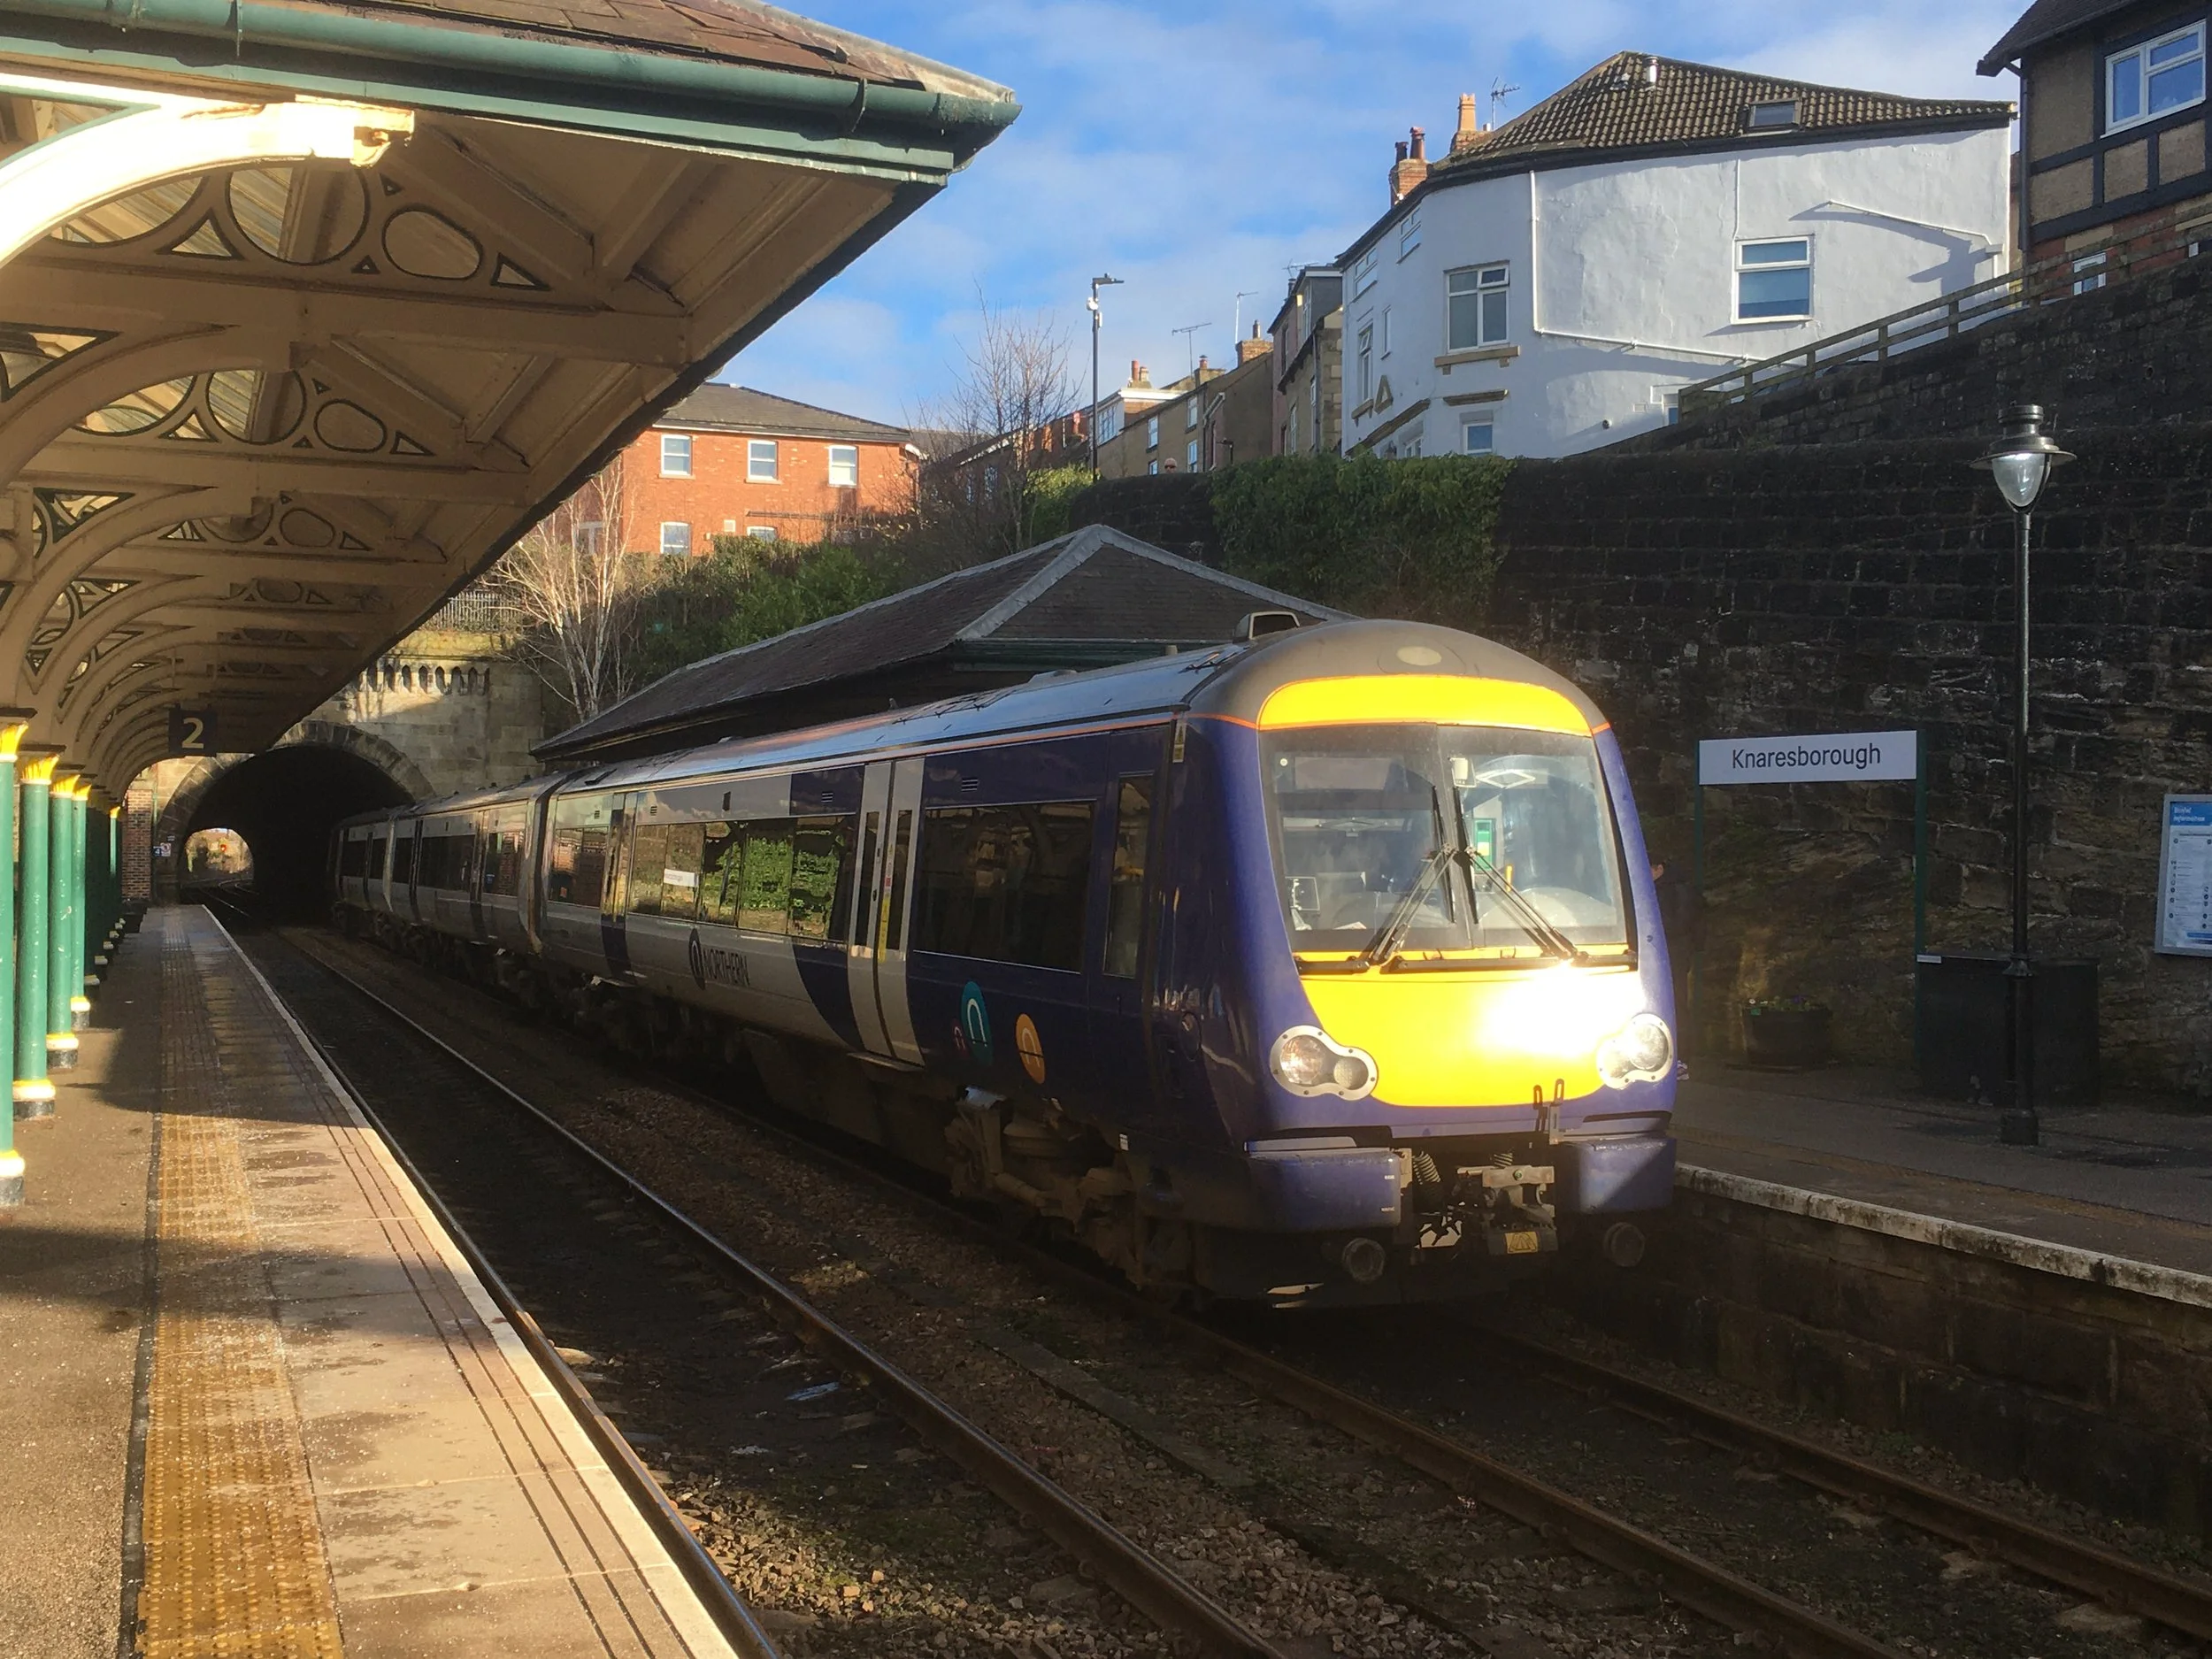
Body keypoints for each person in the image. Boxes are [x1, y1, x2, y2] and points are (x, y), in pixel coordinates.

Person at [1650, 859, 1705, 1063]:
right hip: (1674, 953)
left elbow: (1679, 923)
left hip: (1674, 954)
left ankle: (1680, 1055)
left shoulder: (1674, 891)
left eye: (1649, 869)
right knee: (1675, 1001)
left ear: (1659, 869)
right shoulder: (1676, 888)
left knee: (1676, 1002)